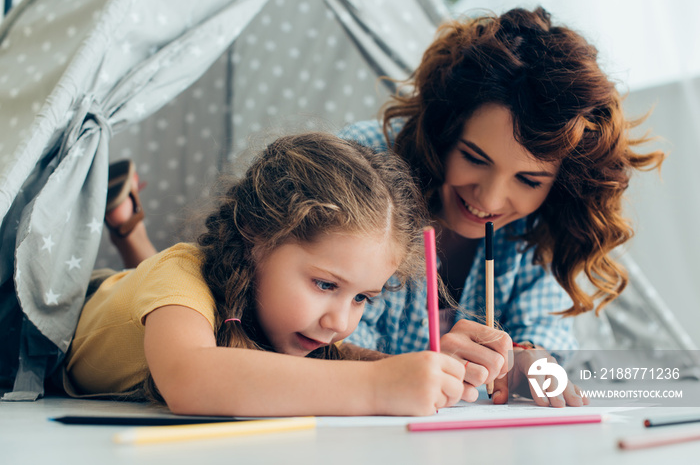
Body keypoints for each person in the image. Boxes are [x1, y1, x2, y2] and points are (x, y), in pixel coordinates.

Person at [338, 7, 665, 407]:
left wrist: (527, 359)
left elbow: (545, 336)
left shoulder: (540, 226)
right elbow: (307, 343)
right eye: (474, 158)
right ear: (444, 130)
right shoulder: (361, 167)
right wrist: (418, 370)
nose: (489, 200)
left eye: (528, 181)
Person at [63, 133, 467, 417]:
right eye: (325, 285)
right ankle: (128, 229)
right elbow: (190, 378)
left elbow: (333, 363)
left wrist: (422, 374)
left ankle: (126, 227)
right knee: (164, 279)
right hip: (55, 320)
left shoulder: (284, 321)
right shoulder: (180, 271)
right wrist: (379, 385)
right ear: (257, 235)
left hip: (146, 298)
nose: (340, 322)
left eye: (362, 297)